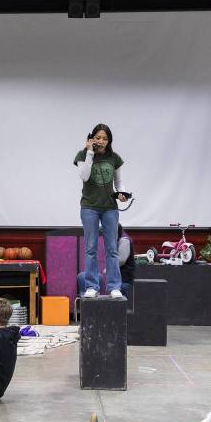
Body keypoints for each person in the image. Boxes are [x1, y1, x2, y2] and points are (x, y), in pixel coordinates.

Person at [74, 123, 127, 300]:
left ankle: (113, 287)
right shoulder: (83, 155)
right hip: (89, 207)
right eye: (98, 137)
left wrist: (122, 193)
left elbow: (118, 183)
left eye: (105, 138)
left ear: (109, 140)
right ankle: (91, 286)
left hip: (110, 208)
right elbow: (84, 176)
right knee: (91, 248)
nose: (101, 141)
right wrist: (90, 152)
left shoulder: (115, 158)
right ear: (92, 138)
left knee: (112, 248)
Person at [77, 223, 134, 299]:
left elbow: (122, 260)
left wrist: (109, 268)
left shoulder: (124, 241)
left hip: (124, 281)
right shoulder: (115, 243)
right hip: (119, 282)